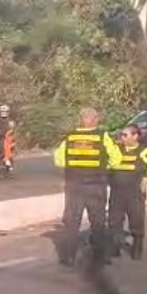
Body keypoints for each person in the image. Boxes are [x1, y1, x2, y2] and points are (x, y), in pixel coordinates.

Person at [52, 107, 124, 267]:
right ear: (96, 120)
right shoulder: (102, 137)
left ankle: (68, 257)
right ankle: (100, 256)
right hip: (96, 186)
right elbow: (117, 159)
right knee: (98, 222)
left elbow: (59, 160)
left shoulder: (70, 137)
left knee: (72, 222)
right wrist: (105, 167)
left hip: (74, 186)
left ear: (81, 120)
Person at [107, 124, 147, 260]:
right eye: (122, 135)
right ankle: (115, 246)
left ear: (135, 136)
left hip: (135, 192)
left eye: (126, 135)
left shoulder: (145, 150)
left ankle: (137, 247)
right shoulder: (116, 149)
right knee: (114, 220)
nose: (122, 138)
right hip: (117, 192)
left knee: (136, 220)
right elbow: (107, 164)